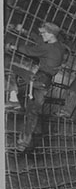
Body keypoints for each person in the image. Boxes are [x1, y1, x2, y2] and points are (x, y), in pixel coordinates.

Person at [5, 22, 66, 151]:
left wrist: (13, 47)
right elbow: (41, 42)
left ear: (50, 35)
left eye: (43, 33)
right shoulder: (58, 46)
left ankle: (13, 98)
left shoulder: (48, 48)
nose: (41, 35)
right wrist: (26, 32)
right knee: (33, 111)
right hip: (45, 82)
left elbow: (30, 51)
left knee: (10, 67)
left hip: (39, 79)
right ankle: (23, 141)